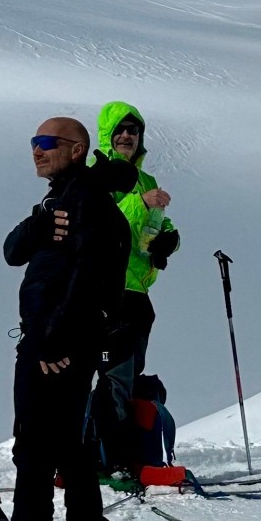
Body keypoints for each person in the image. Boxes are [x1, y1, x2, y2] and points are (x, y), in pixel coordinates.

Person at [0, 116, 137, 521]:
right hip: (62, 339)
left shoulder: (83, 199)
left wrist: (55, 340)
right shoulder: (60, 198)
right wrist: (36, 225)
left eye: (49, 143)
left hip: (54, 341)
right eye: (33, 142)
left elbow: (86, 277)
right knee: (70, 454)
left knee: (33, 450)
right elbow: (12, 252)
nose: (37, 150)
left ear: (77, 149)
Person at [91, 101, 179, 395]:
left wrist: (170, 241)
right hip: (106, 293)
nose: (127, 136)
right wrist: (141, 203)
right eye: (121, 130)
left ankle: (123, 432)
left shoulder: (147, 181)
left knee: (130, 372)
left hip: (139, 293)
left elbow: (160, 225)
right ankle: (100, 432)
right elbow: (102, 226)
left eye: (134, 130)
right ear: (108, 134)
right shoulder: (95, 176)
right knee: (110, 370)